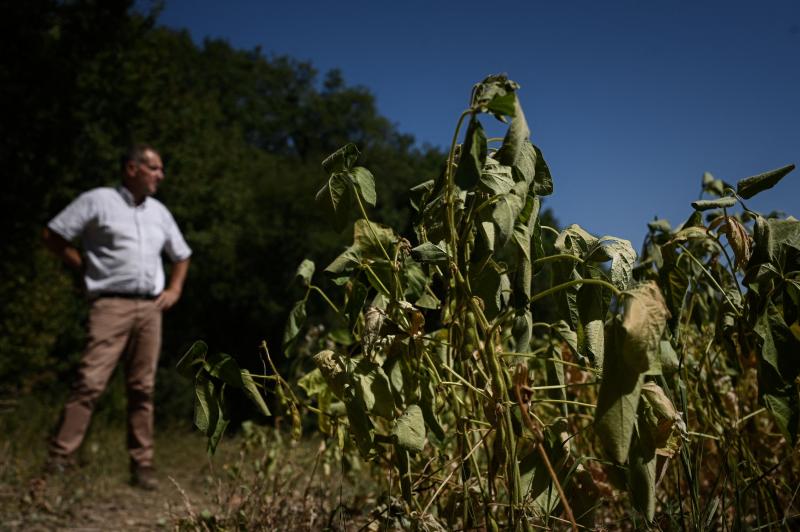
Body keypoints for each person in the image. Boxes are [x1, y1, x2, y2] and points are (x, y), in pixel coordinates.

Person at [42, 144, 191, 490]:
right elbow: (53, 235)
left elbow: (181, 254)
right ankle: (59, 459)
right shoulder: (97, 201)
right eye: (154, 168)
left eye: (161, 169)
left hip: (151, 308)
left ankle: (142, 466)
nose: (160, 175)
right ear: (131, 169)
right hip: (110, 305)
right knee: (90, 382)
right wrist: (82, 267)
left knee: (143, 388)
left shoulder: (159, 212)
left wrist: (175, 290)